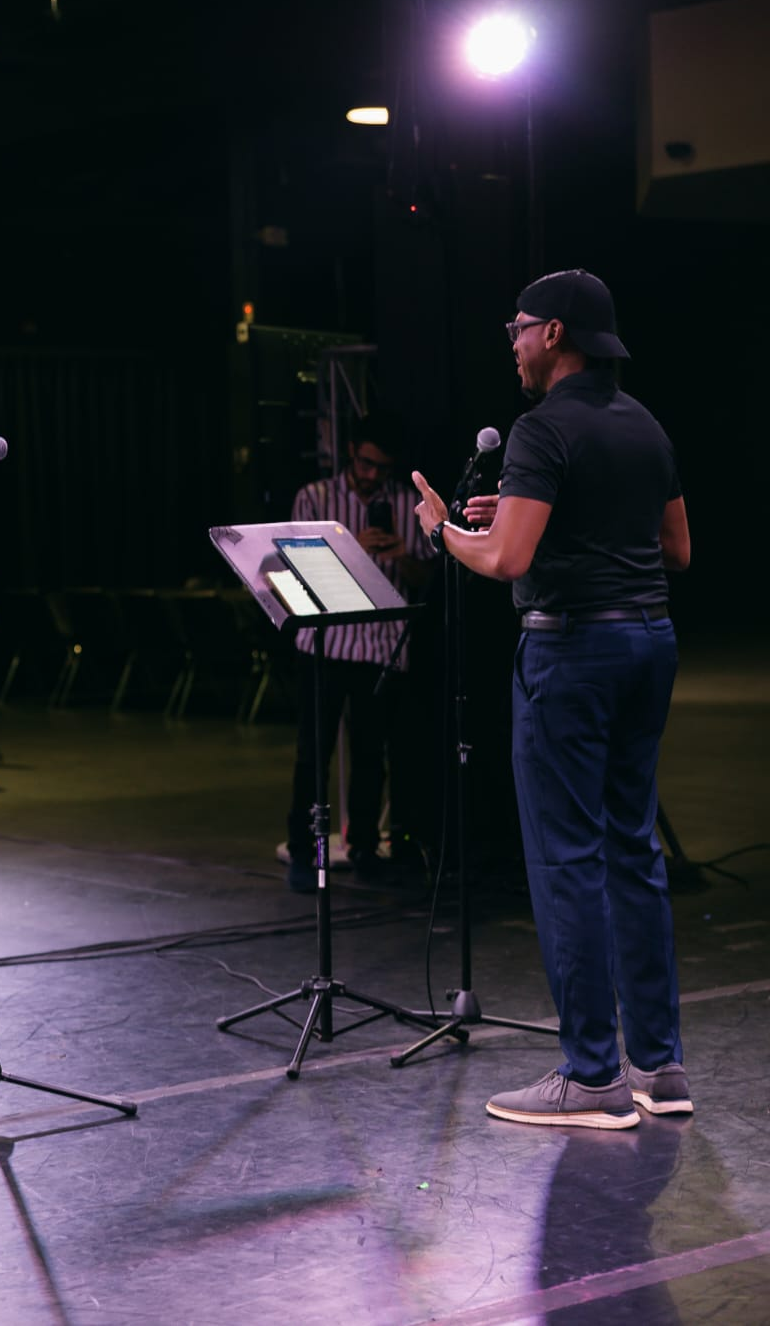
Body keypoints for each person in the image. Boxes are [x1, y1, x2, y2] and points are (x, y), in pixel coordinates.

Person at [411, 268, 691, 1130]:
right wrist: (536, 518)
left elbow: (503, 561)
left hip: (570, 650)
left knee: (566, 856)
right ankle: (659, 1066)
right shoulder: (643, 422)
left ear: (556, 334)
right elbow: (676, 549)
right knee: (632, 850)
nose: (514, 343)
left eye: (520, 328)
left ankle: (592, 1075)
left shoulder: (541, 428)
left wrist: (444, 530)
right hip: (649, 638)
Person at [280, 423, 434, 893]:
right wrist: (352, 553)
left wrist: (403, 554)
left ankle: (366, 848)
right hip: (326, 645)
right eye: (365, 463)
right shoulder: (315, 498)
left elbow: (424, 582)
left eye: (382, 468)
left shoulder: (408, 504)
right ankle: (305, 854)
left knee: (372, 756)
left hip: (381, 646)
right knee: (314, 755)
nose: (372, 475)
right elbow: (294, 573)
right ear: (350, 453)